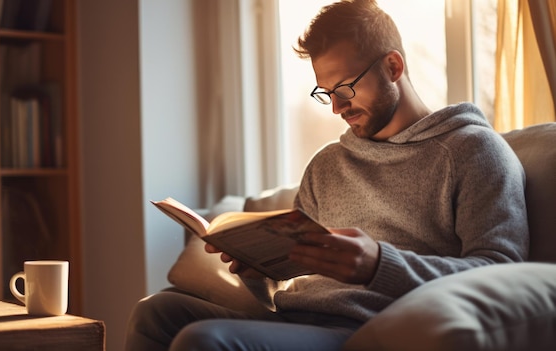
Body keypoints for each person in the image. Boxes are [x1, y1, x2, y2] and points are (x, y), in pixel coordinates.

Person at [125, 1, 529, 350]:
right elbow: (292, 283)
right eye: (326, 92)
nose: (337, 107)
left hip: (372, 330)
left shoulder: (474, 151)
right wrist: (258, 269)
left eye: (346, 88)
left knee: (204, 342)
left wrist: (378, 266)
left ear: (393, 66)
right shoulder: (328, 164)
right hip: (297, 320)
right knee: (155, 312)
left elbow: (504, 275)